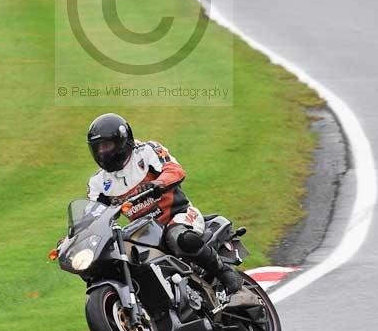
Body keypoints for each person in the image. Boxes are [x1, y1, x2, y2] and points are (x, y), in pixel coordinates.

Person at [86, 112, 259, 308]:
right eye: (97, 148)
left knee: (179, 238)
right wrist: (78, 236)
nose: (102, 152)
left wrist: (157, 184)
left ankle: (231, 280)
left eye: (106, 145)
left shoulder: (147, 151)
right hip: (145, 232)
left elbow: (175, 170)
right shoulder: (98, 183)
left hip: (179, 216)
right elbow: (93, 213)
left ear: (122, 141)